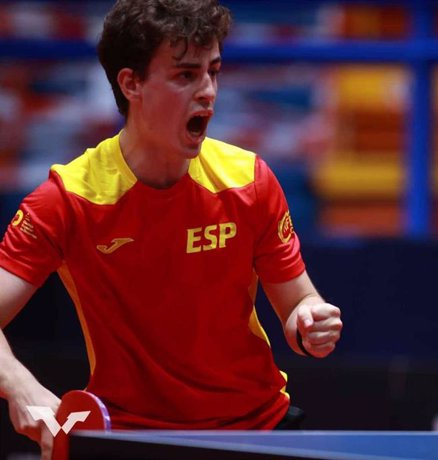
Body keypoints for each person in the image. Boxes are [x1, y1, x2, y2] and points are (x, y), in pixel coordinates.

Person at [0, 0, 342, 458]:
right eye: (185, 75)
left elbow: (297, 301)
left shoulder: (248, 181)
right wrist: (20, 386)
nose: (208, 91)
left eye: (213, 72)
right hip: (131, 438)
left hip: (257, 430)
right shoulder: (69, 200)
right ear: (131, 83)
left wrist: (309, 318)